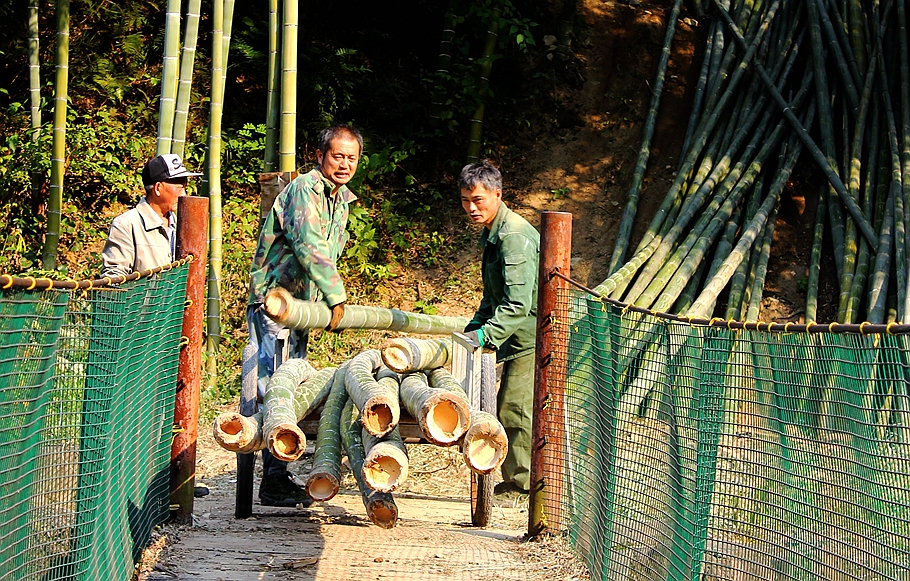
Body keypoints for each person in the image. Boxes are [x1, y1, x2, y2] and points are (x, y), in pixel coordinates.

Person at [247, 124, 362, 507]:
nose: (344, 164)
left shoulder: (340, 200)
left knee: (293, 384)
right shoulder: (304, 190)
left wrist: (323, 307)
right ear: (319, 155)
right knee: (272, 387)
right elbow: (310, 246)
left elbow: (330, 253)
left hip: (303, 309)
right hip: (276, 303)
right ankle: (272, 480)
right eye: (337, 156)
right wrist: (336, 297)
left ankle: (279, 472)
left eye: (351, 158)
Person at [458, 160, 539, 495]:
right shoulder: (494, 232)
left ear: (498, 195)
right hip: (515, 333)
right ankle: (518, 481)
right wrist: (475, 325)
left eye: (478, 200)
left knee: (514, 408)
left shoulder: (513, 236)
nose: (472, 208)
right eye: (466, 200)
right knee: (506, 406)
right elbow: (494, 295)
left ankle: (524, 488)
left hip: (531, 336)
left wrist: (486, 335)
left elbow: (517, 304)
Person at [100, 153, 202, 278]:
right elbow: (114, 276)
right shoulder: (127, 224)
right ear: (158, 188)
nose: (184, 194)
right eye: (179, 188)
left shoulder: (179, 224)